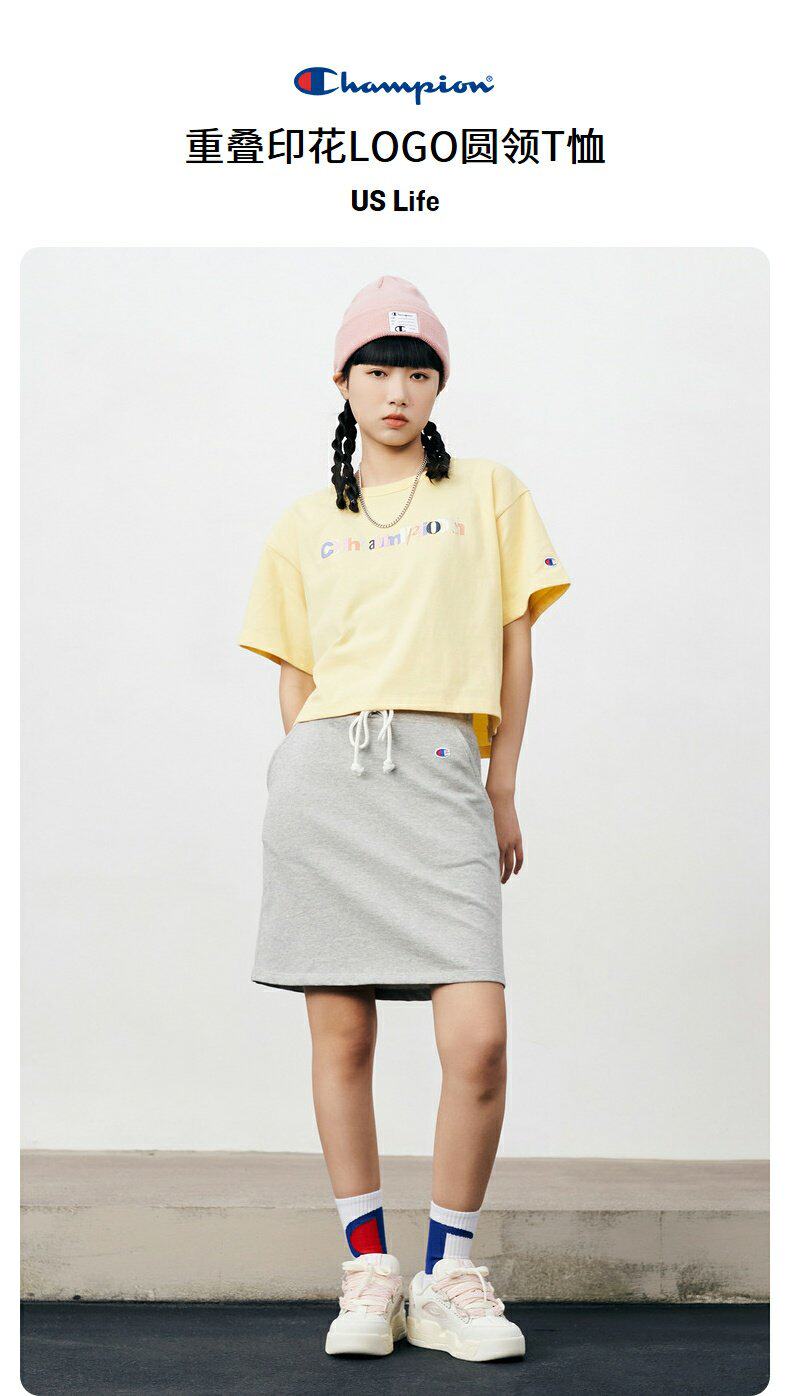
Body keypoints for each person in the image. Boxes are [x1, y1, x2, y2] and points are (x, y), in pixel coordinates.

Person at [238, 274, 570, 1363]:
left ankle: (449, 1273)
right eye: (376, 370)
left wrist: (499, 783)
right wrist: (306, 768)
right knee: (342, 1035)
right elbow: (295, 675)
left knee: (477, 1039)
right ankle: (370, 1270)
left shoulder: (488, 492)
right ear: (342, 380)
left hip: (441, 774)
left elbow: (515, 644)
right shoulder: (305, 521)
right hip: (327, 783)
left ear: (438, 386)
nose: (396, 391)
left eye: (416, 373)